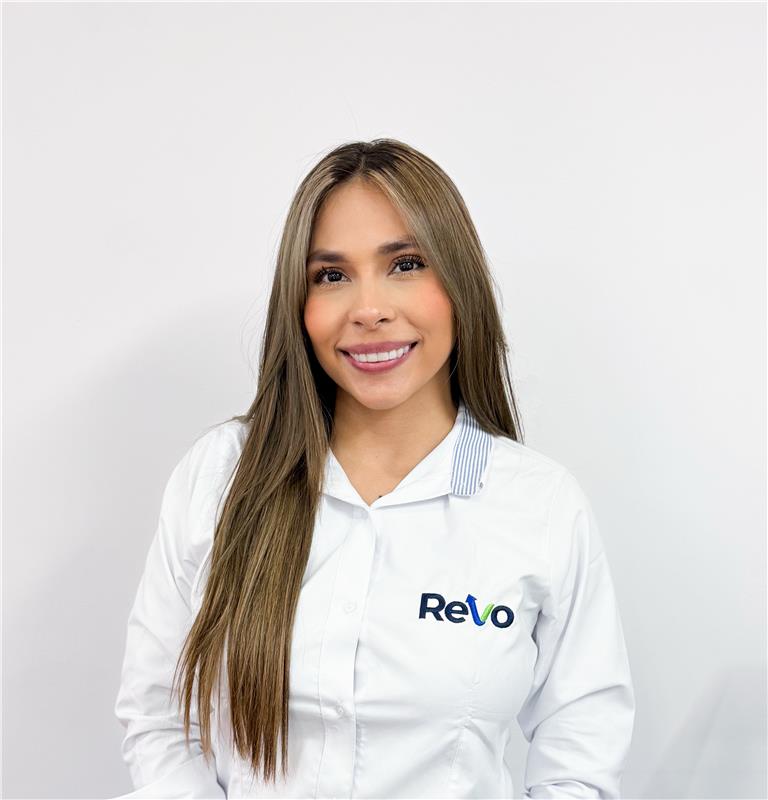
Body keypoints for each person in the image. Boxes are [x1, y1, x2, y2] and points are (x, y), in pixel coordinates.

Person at [113, 138, 636, 799]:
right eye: (331, 276)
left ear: (459, 284)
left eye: (405, 265)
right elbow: (160, 718)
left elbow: (581, 758)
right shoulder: (221, 475)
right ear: (299, 304)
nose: (369, 310)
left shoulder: (539, 505)